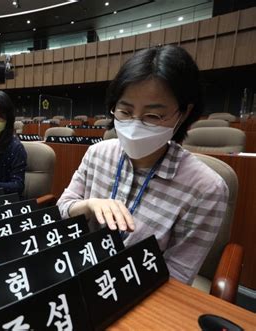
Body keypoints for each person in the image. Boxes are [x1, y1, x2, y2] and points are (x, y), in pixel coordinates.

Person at [57, 45, 228, 285]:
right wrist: (89, 204)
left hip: (138, 291)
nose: (135, 124)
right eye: (125, 111)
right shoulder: (97, 153)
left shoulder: (206, 188)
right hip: (81, 272)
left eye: (153, 116)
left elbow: (176, 277)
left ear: (184, 113)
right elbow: (62, 209)